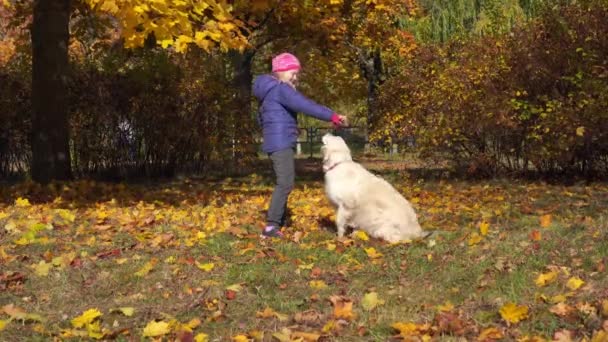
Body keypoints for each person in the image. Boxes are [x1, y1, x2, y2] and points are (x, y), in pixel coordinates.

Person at [253, 52, 347, 238]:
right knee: (285, 183)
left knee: (285, 181)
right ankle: (271, 226)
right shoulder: (281, 89)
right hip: (280, 142)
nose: (295, 77)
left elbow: (262, 118)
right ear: (279, 71)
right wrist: (332, 116)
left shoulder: (268, 91)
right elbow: (305, 105)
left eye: (297, 74)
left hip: (275, 141)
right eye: (291, 73)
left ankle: (279, 221)